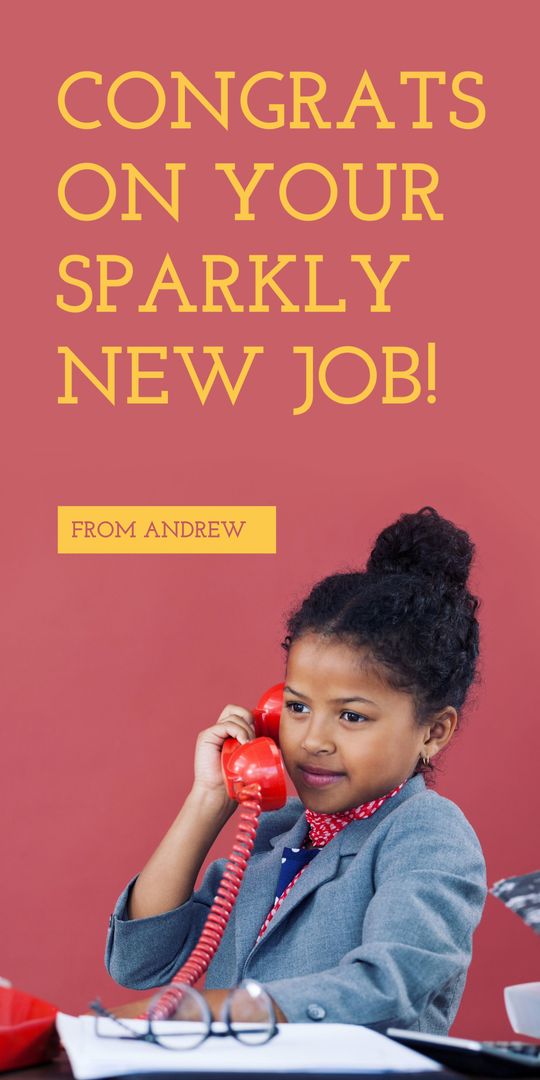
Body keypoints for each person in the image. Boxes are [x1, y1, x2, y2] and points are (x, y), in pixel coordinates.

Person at [105, 506, 487, 1034]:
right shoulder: (272, 834)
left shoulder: (425, 833)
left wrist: (224, 1010)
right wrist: (208, 799)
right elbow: (138, 962)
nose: (311, 740)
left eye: (352, 716)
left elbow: (390, 984)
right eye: (298, 706)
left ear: (434, 731)